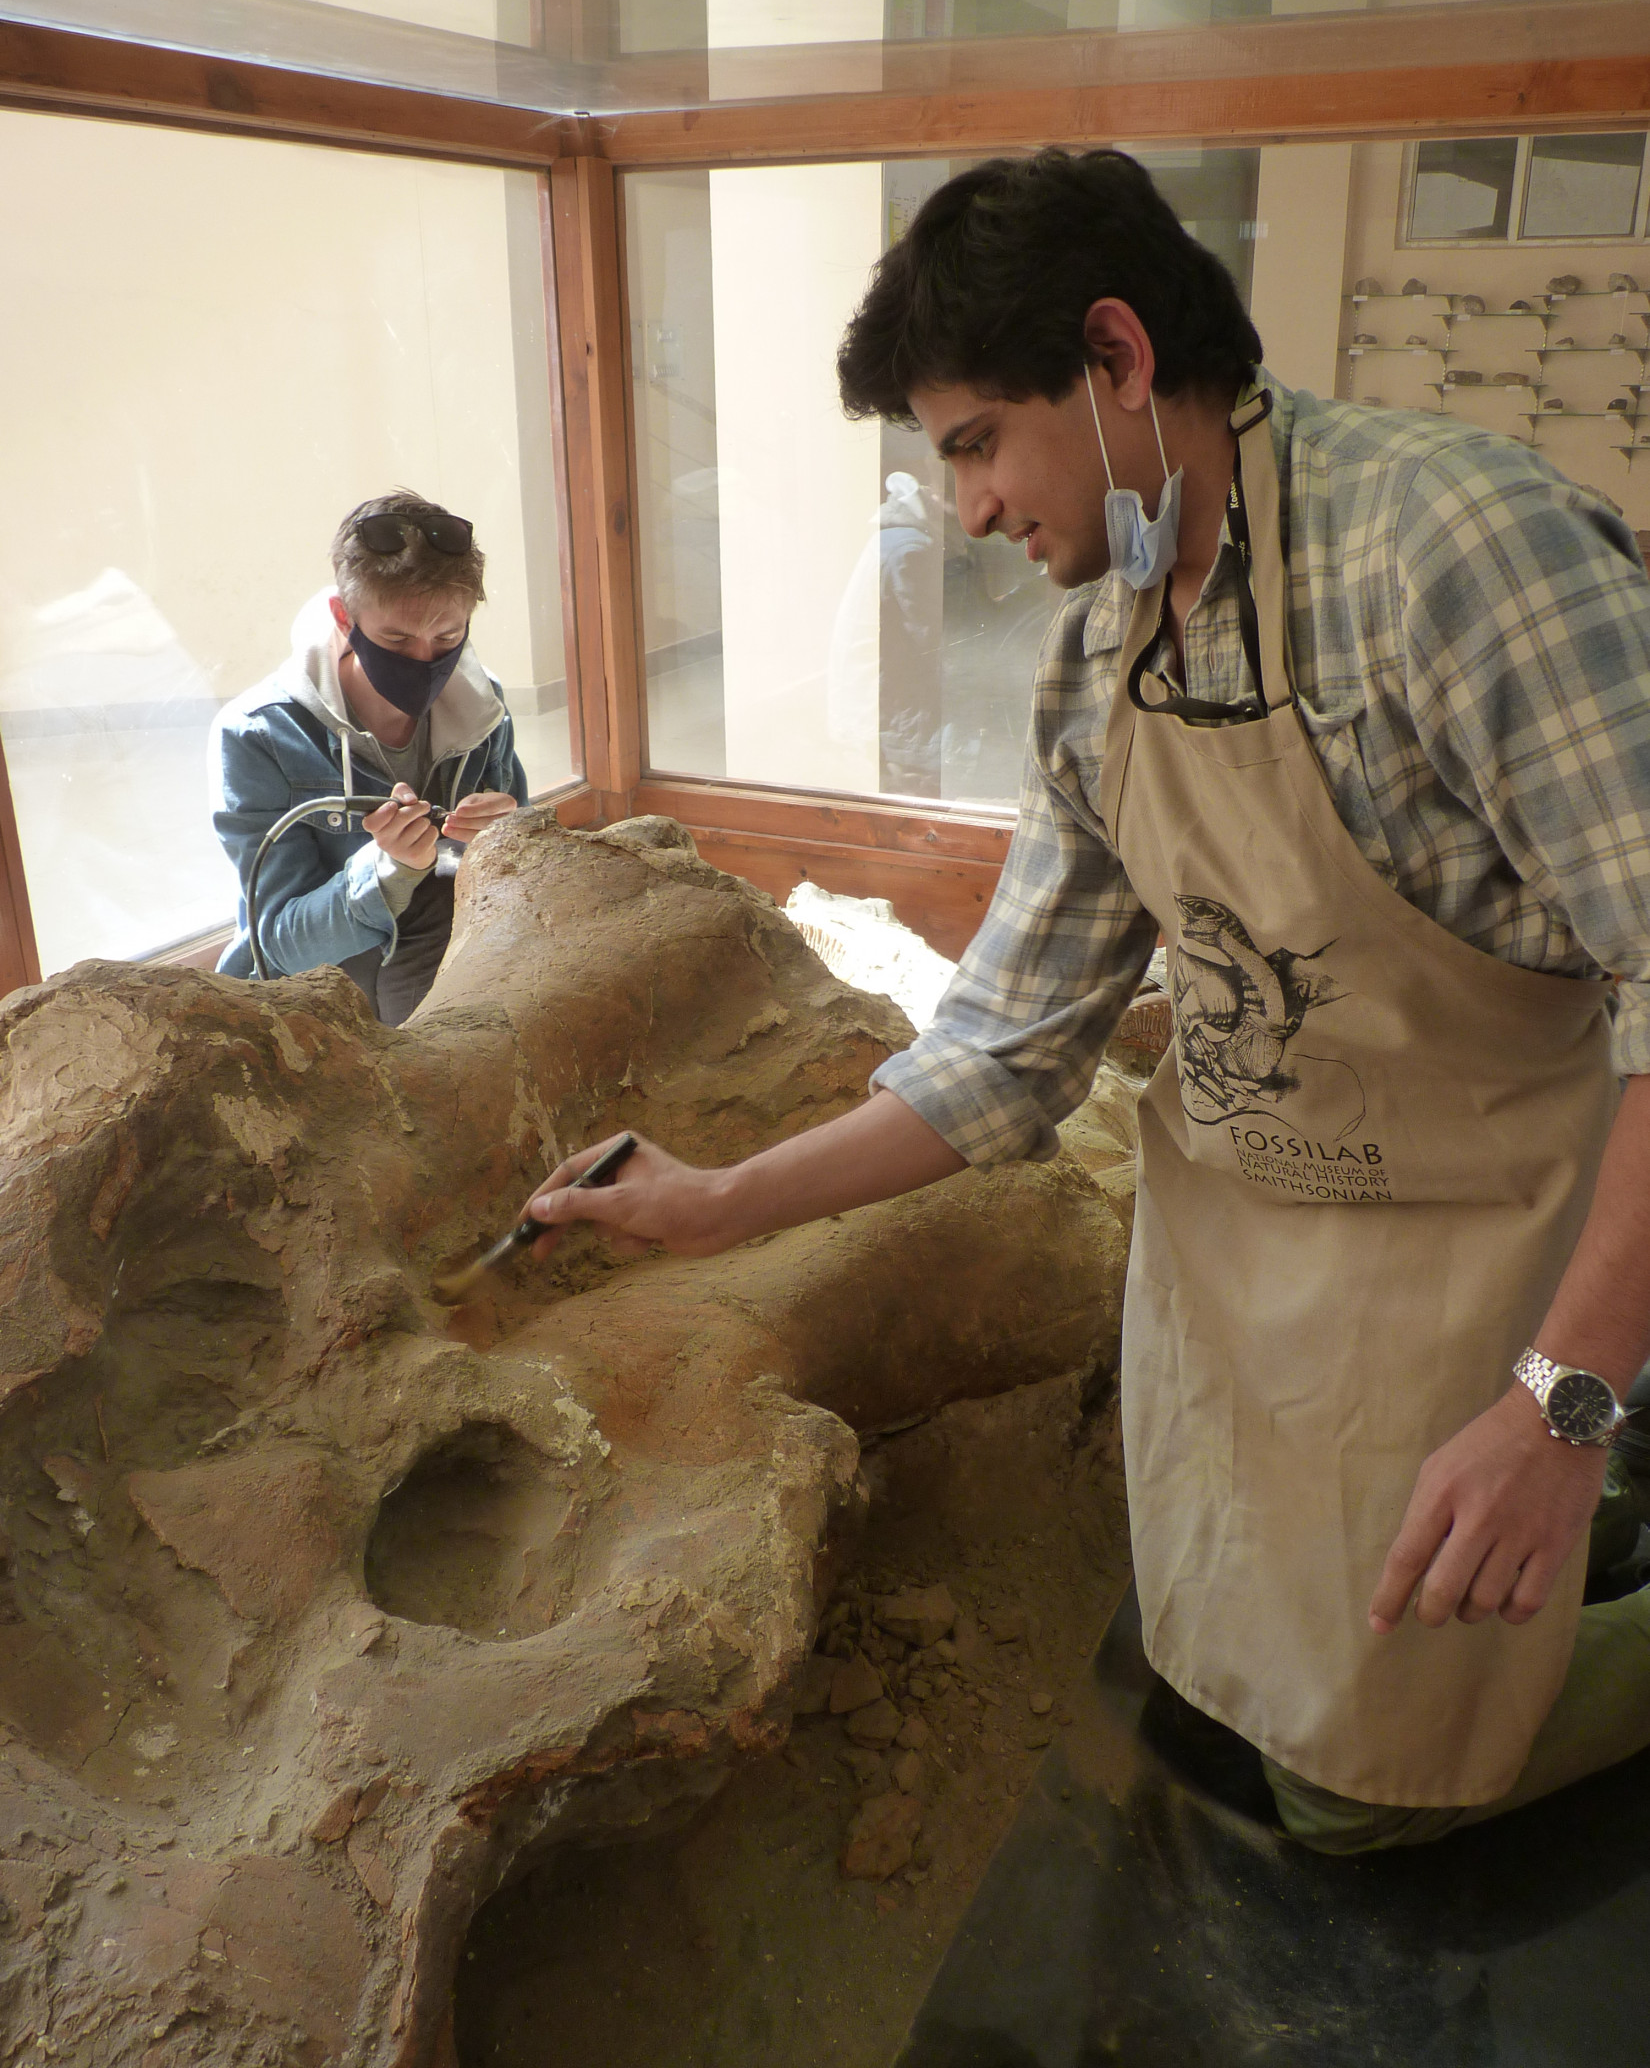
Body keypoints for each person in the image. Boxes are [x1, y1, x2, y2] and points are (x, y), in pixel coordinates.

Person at [513, 148, 1650, 1854]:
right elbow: (1007, 1049)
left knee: (1358, 1795)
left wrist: (1564, 1405)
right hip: (1242, 1273)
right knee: (1210, 1668)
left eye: (975, 441)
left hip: (1473, 1263)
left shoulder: (1452, 555)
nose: (963, 505)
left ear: (1118, 361)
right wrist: (720, 1206)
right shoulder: (1100, 645)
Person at [211, 492, 526, 1024]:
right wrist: (386, 871)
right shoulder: (259, 735)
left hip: (451, 971)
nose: (425, 660)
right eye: (396, 639)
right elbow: (278, 947)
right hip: (322, 1014)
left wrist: (511, 840)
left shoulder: (483, 708)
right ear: (342, 616)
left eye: (447, 636)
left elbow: (523, 888)